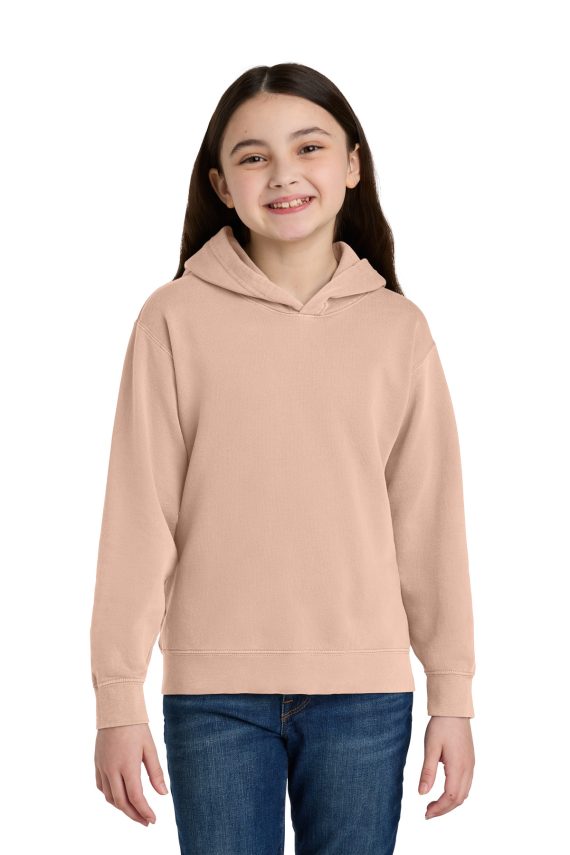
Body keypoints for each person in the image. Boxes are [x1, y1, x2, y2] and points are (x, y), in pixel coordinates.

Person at [90, 62, 476, 854]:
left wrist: (453, 692)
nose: (284, 174)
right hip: (215, 694)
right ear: (221, 185)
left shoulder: (397, 329)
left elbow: (430, 524)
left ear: (353, 165)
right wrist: (117, 698)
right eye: (253, 156)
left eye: (309, 147)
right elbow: (140, 515)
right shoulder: (172, 320)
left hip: (365, 694)